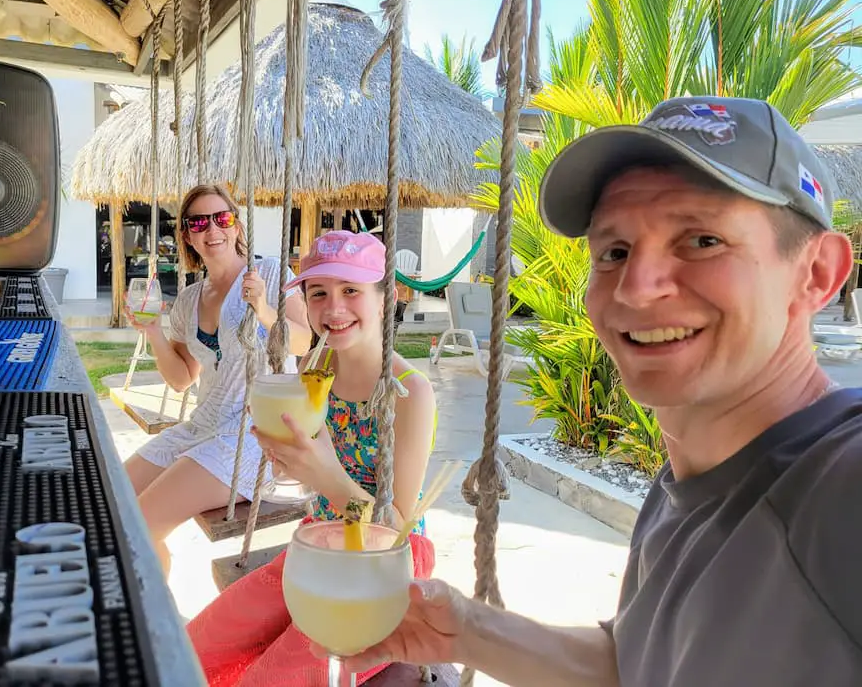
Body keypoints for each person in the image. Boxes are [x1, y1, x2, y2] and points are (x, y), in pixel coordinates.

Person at [313, 97, 862, 686]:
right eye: (615, 252)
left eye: (703, 241)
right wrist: (467, 631)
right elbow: (639, 662)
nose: (637, 287)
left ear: (817, 274)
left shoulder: (835, 488)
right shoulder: (689, 485)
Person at [186, 230, 438, 686]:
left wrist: (323, 473)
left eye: (351, 291)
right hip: (317, 540)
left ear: (387, 297)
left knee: (270, 678)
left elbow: (395, 527)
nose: (333, 308)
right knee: (199, 644)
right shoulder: (313, 371)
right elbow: (307, 473)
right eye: (318, 293)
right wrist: (289, 460)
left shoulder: (409, 393)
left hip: (384, 564)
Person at [124, 183, 313, 577]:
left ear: (237, 226)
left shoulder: (271, 273)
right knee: (110, 498)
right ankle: (151, 600)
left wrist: (262, 308)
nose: (212, 230)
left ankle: (153, 622)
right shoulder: (190, 299)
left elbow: (302, 340)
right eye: (198, 222)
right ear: (187, 235)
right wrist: (154, 334)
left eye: (221, 218)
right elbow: (181, 379)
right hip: (203, 425)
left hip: (254, 432)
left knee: (138, 522)